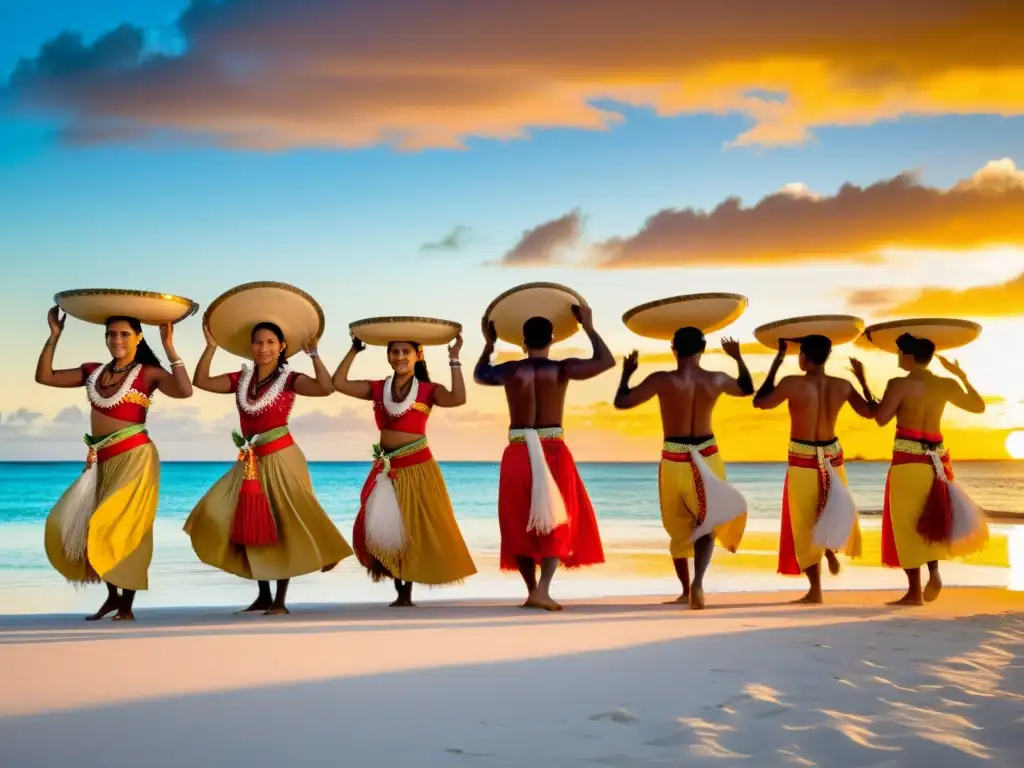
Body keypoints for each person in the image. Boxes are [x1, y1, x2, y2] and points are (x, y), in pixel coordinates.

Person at [185, 321, 353, 615]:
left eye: (271, 342)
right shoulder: (241, 378)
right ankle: (263, 595)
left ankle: (279, 600)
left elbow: (325, 388)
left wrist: (314, 354)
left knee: (281, 524)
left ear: (282, 346)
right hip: (250, 461)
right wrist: (210, 347)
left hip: (282, 457)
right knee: (241, 518)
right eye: (258, 343)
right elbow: (202, 381)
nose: (264, 348)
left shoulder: (290, 379)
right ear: (251, 347)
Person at [38, 306, 193, 621]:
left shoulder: (148, 373)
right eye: (111, 334)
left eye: (124, 334)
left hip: (136, 459)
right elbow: (45, 377)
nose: (117, 339)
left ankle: (127, 605)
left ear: (138, 337)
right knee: (88, 526)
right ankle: (112, 597)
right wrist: (55, 336)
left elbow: (184, 390)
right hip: (101, 461)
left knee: (123, 528)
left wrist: (169, 347)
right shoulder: (93, 371)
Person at [474, 304, 613, 611]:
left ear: (523, 343)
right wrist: (588, 326)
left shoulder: (511, 370)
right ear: (552, 340)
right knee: (558, 521)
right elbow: (606, 361)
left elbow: (480, 375)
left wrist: (489, 344)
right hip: (553, 450)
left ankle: (532, 590)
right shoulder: (563, 369)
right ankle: (544, 590)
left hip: (518, 451)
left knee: (517, 520)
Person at [333, 330, 476, 607]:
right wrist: (354, 350)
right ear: (388, 356)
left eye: (405, 352)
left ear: (417, 355)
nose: (399, 357)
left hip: (418, 464)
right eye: (394, 352)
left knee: (412, 526)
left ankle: (407, 593)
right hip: (387, 465)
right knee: (386, 525)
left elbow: (458, 398)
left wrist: (454, 360)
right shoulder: (378, 388)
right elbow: (338, 383)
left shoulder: (428, 390)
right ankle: (399, 590)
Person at [614, 327, 753, 609]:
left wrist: (627, 373)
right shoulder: (716, 379)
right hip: (708, 455)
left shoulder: (661, 380)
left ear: (673, 349)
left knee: (678, 525)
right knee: (707, 521)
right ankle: (698, 584)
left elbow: (622, 401)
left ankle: (684, 590)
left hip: (675, 457)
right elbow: (747, 389)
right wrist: (738, 358)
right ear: (702, 350)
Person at [753, 336, 875, 603]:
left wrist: (777, 361)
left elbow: (760, 402)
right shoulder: (843, 385)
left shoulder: (792, 383)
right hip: (832, 456)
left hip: (804, 458)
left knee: (804, 521)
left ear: (805, 356)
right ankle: (829, 551)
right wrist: (863, 380)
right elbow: (871, 413)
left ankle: (815, 590)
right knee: (830, 508)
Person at [873, 333, 986, 605]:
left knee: (906, 525)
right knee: (932, 518)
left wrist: (869, 392)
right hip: (936, 463)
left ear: (910, 356)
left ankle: (913, 592)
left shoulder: (899, 383)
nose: (899, 357)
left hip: (908, 461)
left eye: (900, 352)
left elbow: (880, 418)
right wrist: (961, 375)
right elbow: (978, 407)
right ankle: (933, 572)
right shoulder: (945, 384)